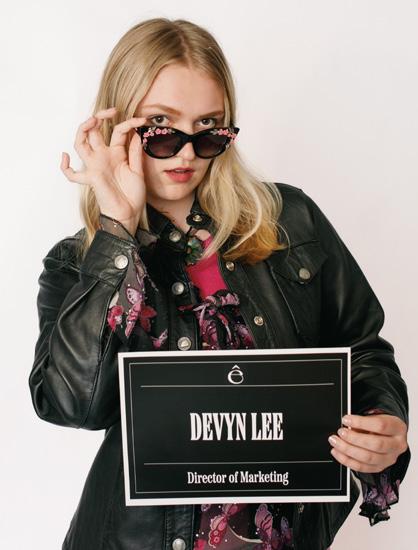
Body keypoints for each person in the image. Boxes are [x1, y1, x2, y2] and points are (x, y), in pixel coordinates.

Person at [29, 17, 410, 550]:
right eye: (160, 127)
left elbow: (362, 349)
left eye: (208, 128)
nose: (187, 153)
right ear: (117, 124)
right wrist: (118, 230)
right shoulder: (79, 263)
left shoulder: (290, 222)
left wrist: (382, 420)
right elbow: (72, 404)